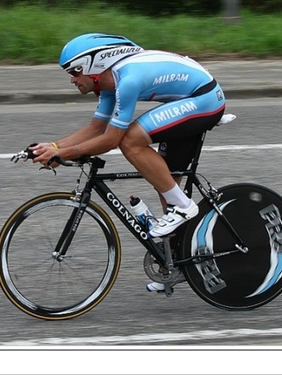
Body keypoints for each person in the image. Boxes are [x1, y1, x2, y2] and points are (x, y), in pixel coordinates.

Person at [31, 33, 226, 292]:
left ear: (95, 66)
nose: (72, 79)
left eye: (76, 71)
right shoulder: (109, 85)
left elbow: (112, 139)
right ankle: (178, 263)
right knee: (164, 180)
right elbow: (95, 128)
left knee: (130, 141)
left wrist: (65, 155)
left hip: (205, 100)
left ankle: (184, 207)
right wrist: (54, 147)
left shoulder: (128, 81)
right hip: (187, 102)